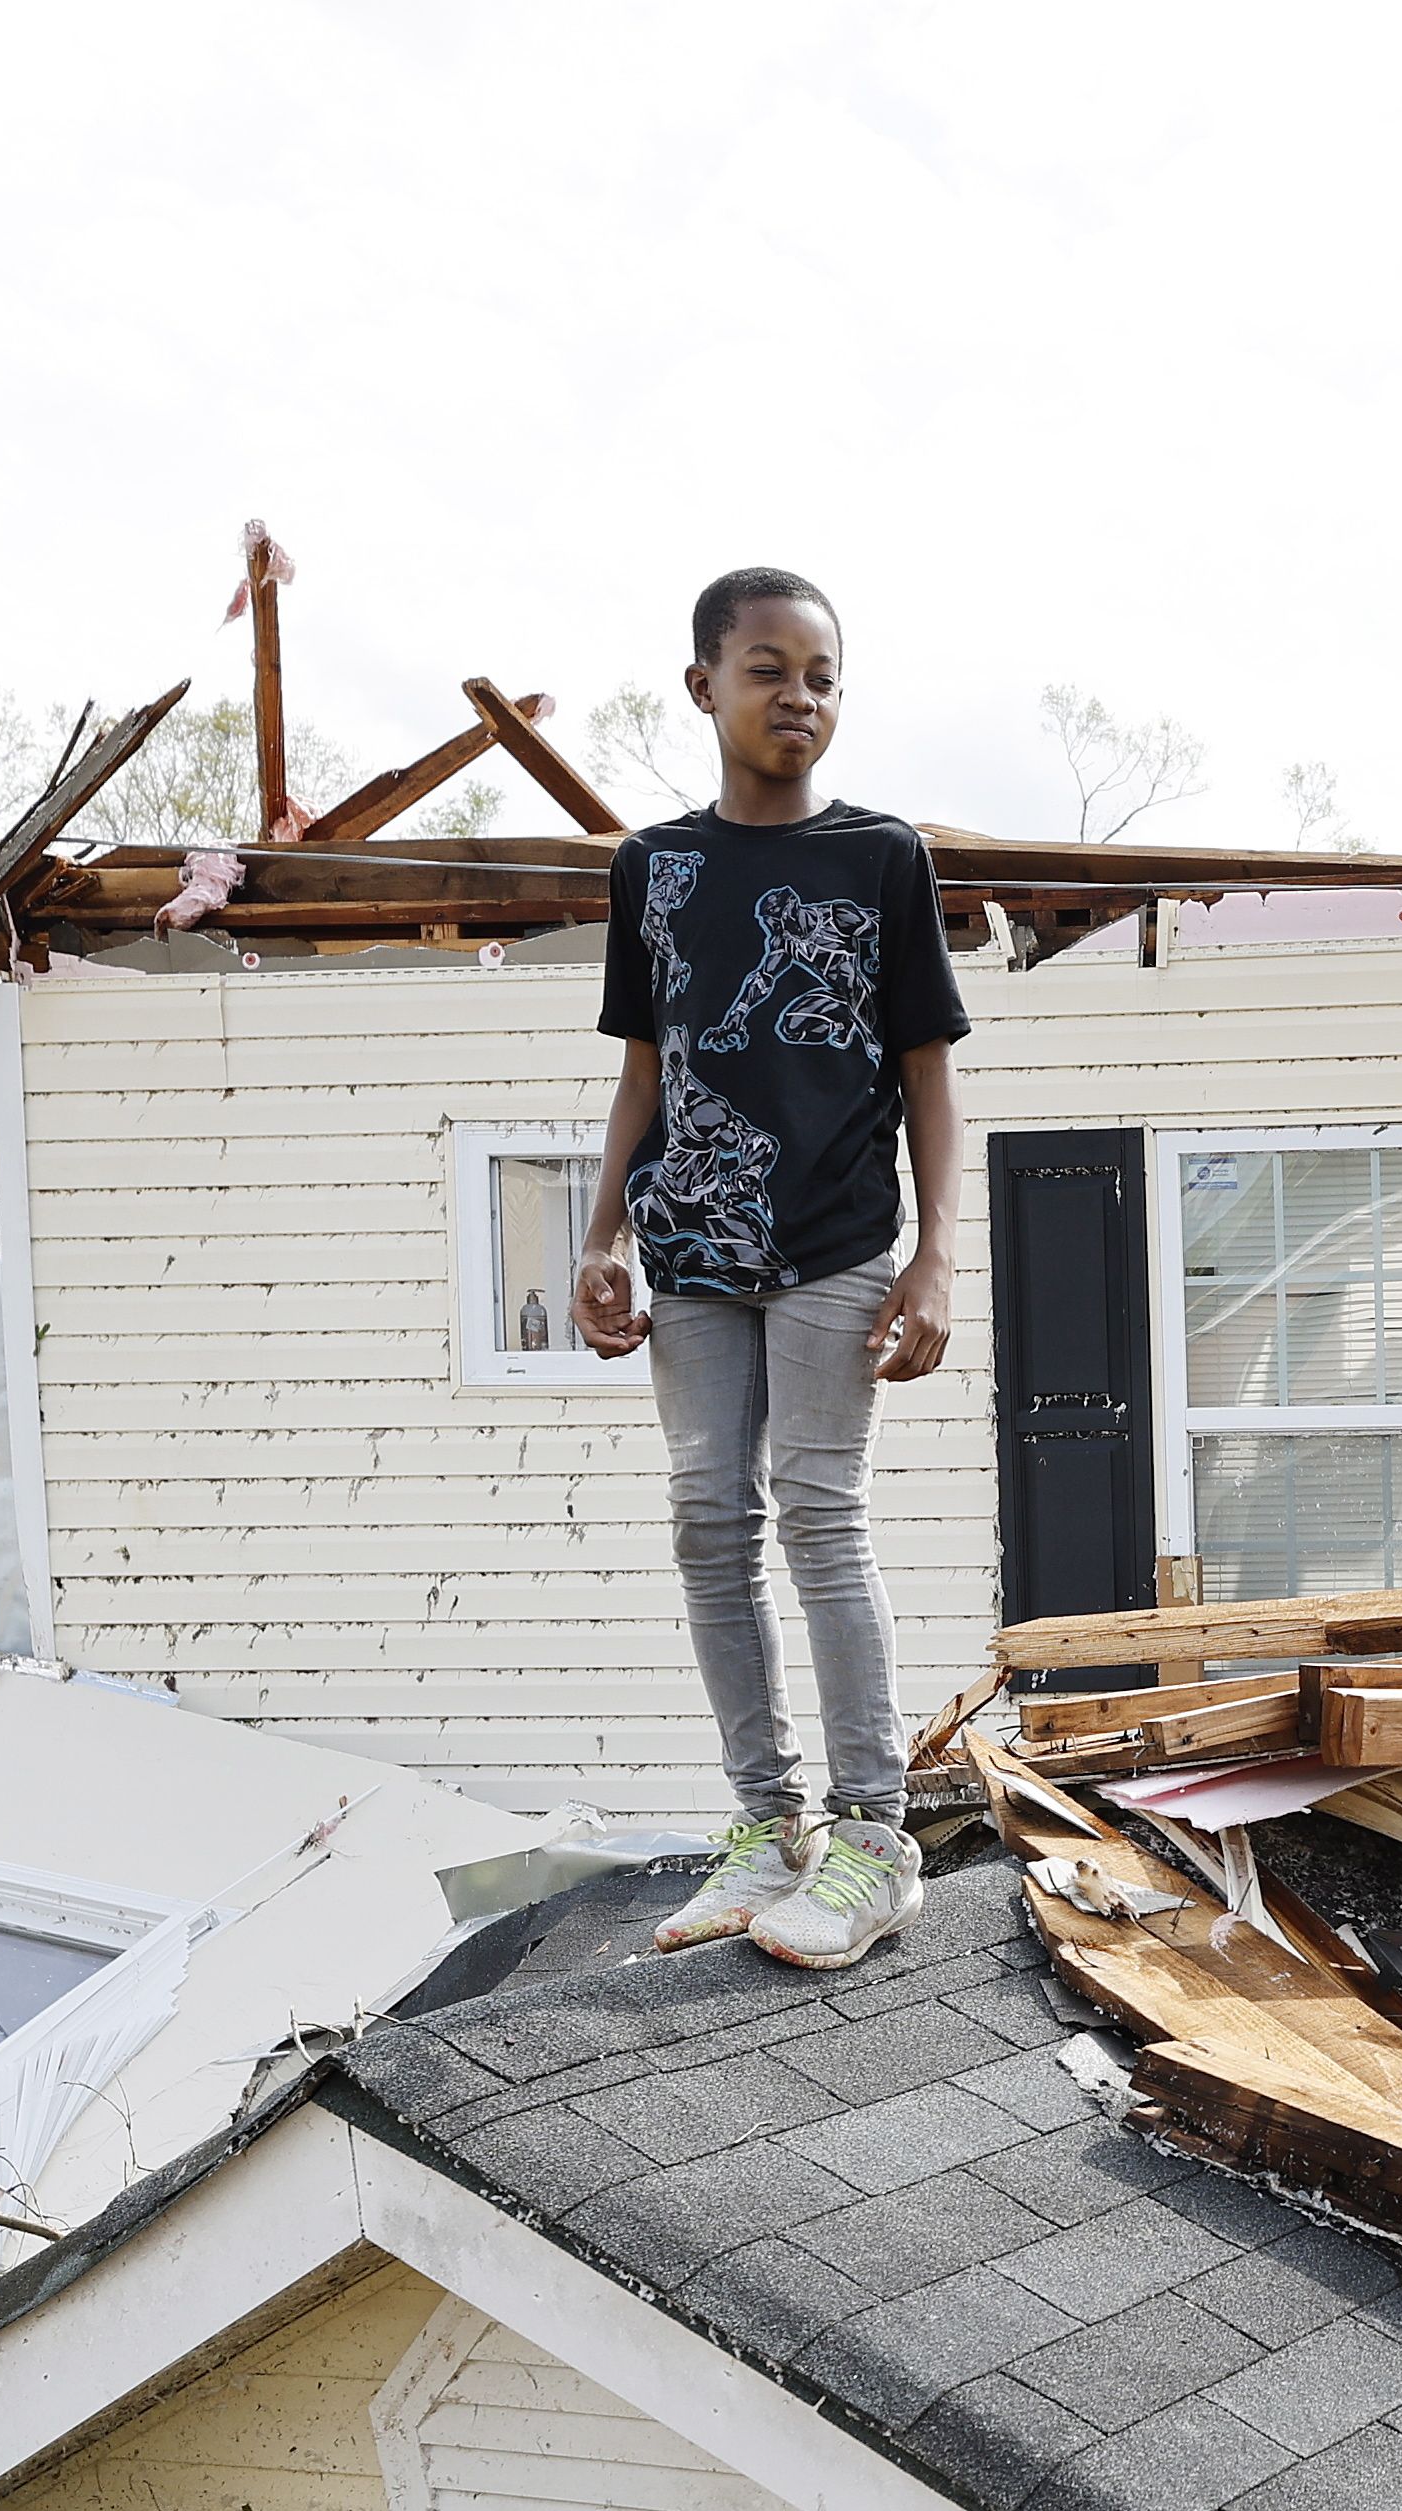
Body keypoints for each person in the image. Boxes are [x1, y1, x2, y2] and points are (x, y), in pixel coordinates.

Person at [571, 567, 969, 1969]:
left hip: (837, 1242)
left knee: (816, 1505)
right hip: (688, 1244)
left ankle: (873, 1838)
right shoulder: (655, 869)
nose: (797, 695)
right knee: (705, 1516)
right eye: (767, 669)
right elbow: (646, 1069)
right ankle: (764, 1830)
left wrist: (933, 1259)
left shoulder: (881, 859)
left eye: (822, 675)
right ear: (703, 687)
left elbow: (926, 1073)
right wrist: (605, 1231)